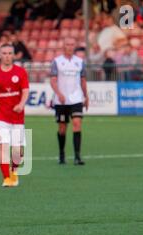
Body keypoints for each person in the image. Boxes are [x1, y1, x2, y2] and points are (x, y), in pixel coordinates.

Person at [0, 44, 29, 187]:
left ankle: (14, 171)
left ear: (14, 55)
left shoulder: (20, 72)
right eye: (4, 53)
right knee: (3, 147)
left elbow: (25, 91)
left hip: (17, 117)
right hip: (0, 117)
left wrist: (21, 104)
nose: (7, 56)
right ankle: (7, 178)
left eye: (10, 53)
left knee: (18, 150)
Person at [50, 38, 89, 166]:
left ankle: (77, 156)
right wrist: (59, 94)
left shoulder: (80, 62)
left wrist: (86, 96)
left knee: (77, 123)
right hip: (61, 100)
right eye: (67, 44)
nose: (70, 47)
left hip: (76, 99)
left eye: (72, 44)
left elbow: (83, 80)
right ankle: (62, 153)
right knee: (62, 128)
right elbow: (53, 80)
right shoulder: (57, 62)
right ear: (63, 46)